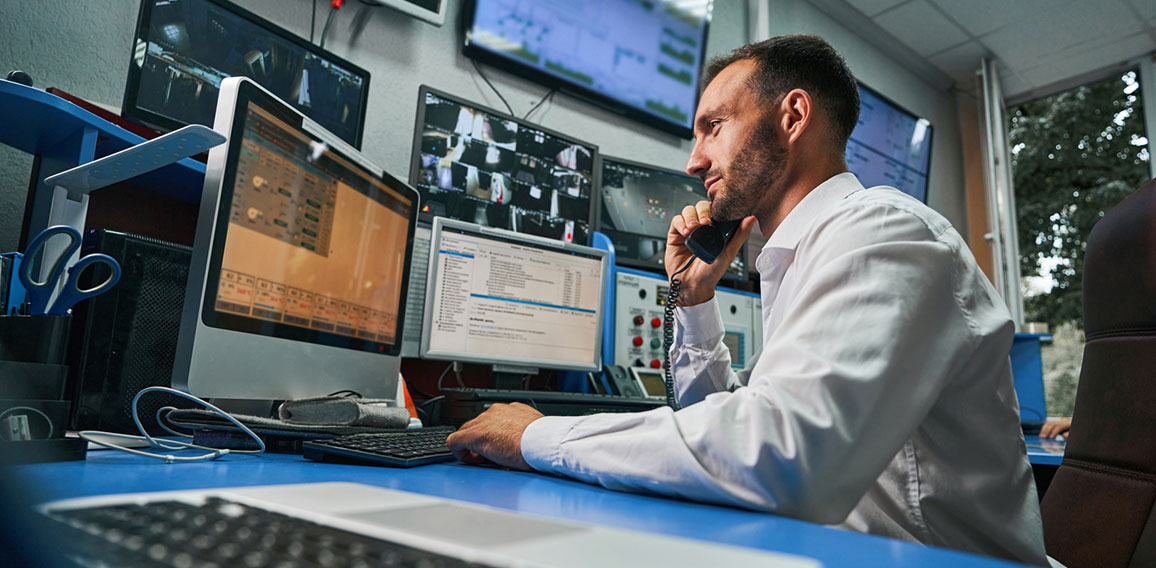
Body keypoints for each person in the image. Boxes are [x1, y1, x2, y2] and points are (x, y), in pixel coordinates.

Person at [446, 35, 1047, 565]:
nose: (694, 159)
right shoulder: (802, 255)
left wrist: (538, 436)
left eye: (714, 126)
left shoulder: (884, 235)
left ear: (792, 116)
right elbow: (727, 434)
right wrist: (696, 300)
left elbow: (779, 455)